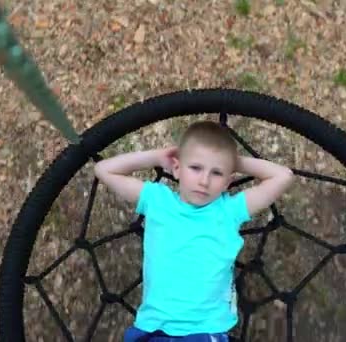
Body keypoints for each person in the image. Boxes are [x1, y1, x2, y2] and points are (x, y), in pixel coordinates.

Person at [94, 121, 294, 341]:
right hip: (152, 328)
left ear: (228, 181)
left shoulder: (229, 211)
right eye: (196, 168)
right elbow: (104, 169)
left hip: (204, 330)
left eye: (217, 173)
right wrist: (157, 157)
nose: (204, 180)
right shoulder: (157, 200)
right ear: (177, 168)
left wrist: (234, 161)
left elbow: (283, 176)